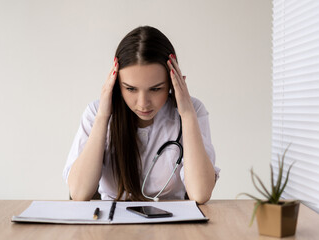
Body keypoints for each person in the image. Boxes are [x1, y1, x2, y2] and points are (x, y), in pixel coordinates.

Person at [63, 26, 220, 204]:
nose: (143, 103)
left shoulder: (192, 111)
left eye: (155, 89)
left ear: (172, 81)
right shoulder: (96, 112)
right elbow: (79, 193)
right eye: (130, 89)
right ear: (115, 83)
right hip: (111, 225)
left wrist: (187, 115)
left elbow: (200, 194)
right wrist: (103, 117)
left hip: (172, 226)